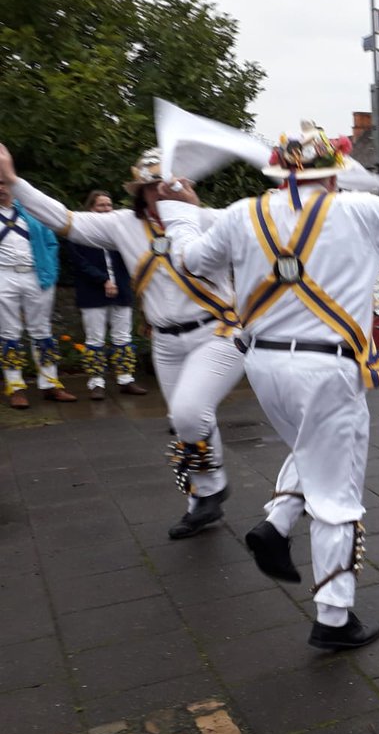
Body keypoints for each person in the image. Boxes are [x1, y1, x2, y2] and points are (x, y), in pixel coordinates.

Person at [159, 122, 379, 650]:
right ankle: (334, 618)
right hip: (327, 370)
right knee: (337, 495)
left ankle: (276, 524)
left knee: (310, 448)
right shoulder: (358, 210)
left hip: (264, 368)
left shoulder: (240, 215)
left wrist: (180, 211)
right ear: (334, 174)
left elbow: (189, 261)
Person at [0, 144, 242, 537]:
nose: (161, 192)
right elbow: (63, 219)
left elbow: (263, 224)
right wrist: (13, 181)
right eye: (153, 186)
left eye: (169, 185)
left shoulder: (209, 220)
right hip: (164, 341)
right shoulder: (122, 226)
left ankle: (219, 490)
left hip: (217, 332)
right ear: (140, 193)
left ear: (185, 186)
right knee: (187, 420)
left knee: (188, 411)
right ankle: (202, 500)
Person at [0, 173, 76, 407]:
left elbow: (51, 242)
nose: (1, 187)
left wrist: (50, 270)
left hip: (36, 275)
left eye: (3, 182)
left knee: (42, 330)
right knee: (9, 333)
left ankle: (51, 383)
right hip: (4, 276)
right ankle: (15, 387)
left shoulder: (31, 212)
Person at [70, 190, 148, 400]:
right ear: (91, 208)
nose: (106, 209)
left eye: (108, 205)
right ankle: (96, 382)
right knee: (95, 337)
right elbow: (79, 262)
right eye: (100, 205)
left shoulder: (119, 231)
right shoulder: (80, 232)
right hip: (93, 291)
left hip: (121, 290)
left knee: (122, 335)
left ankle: (125, 378)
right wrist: (102, 280)